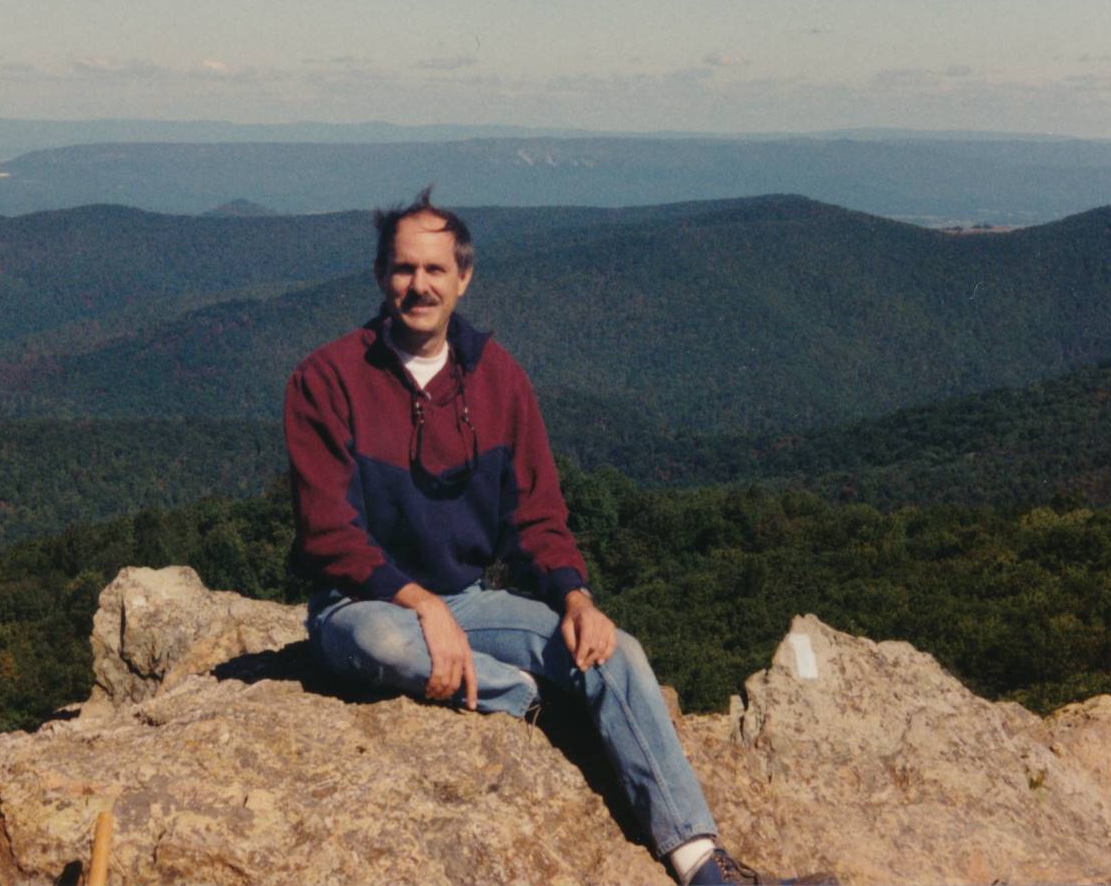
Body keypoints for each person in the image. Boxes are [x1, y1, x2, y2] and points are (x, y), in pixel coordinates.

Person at [283, 187, 775, 886]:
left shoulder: (497, 378)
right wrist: (419, 604)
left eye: (434, 270)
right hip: (360, 602)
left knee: (613, 652)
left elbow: (539, 514)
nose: (418, 286)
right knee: (385, 643)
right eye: (402, 269)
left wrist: (575, 598)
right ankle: (527, 699)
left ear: (463, 279)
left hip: (471, 602)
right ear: (379, 276)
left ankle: (700, 862)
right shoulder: (327, 379)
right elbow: (328, 533)